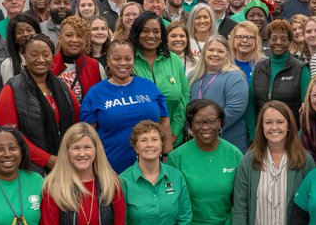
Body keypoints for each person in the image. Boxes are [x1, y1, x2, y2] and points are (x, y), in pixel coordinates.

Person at [230, 101, 315, 225]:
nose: (274, 127)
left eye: (279, 121)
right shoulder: (248, 161)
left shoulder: (305, 161)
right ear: (261, 127)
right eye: (268, 122)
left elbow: (313, 207)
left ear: (289, 126)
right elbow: (240, 205)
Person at [167, 99, 244, 225]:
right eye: (199, 122)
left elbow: (239, 202)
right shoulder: (177, 157)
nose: (206, 127)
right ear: (190, 126)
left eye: (211, 121)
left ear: (220, 122)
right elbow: (174, 204)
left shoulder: (234, 154)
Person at [81, 39, 171, 171]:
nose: (123, 63)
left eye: (128, 58)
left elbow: (164, 120)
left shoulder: (149, 87)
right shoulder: (95, 93)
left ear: (134, 60)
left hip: (151, 167)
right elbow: (88, 135)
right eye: (117, 58)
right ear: (108, 60)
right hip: (111, 169)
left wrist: (167, 153)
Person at [0, 35, 79, 172]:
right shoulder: (11, 89)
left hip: (66, 163)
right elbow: (11, 134)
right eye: (34, 55)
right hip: (29, 168)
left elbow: (76, 123)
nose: (40, 59)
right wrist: (47, 159)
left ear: (52, 57)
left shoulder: (62, 87)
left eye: (46, 54)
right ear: (25, 57)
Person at [131, 11, 189, 141]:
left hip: (174, 140)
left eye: (156, 31)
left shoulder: (174, 60)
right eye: (145, 31)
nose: (151, 35)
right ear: (137, 33)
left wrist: (173, 133)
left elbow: (184, 98)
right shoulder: (129, 61)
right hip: (137, 141)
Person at [188, 36, 250, 150]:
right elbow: (185, 106)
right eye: (211, 50)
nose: (215, 54)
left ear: (227, 54)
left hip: (228, 143)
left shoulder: (235, 77)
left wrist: (205, 128)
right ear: (204, 52)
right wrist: (189, 128)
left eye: (220, 51)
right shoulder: (193, 76)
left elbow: (234, 111)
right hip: (196, 141)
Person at [250, 19, 309, 122]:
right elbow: (250, 104)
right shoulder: (259, 67)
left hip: (292, 133)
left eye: (283, 39)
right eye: (274, 38)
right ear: (268, 40)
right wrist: (253, 135)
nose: (278, 42)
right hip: (262, 132)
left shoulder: (301, 69)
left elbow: (307, 109)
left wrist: (298, 136)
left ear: (290, 41)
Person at [51, 16, 104, 104]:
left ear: (86, 40)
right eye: (69, 35)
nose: (74, 40)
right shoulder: (50, 64)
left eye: (79, 36)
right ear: (60, 38)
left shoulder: (96, 66)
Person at [1, 14, 43, 83]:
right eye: (20, 32)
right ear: (14, 38)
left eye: (29, 30)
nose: (25, 34)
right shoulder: (8, 64)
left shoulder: (44, 59)